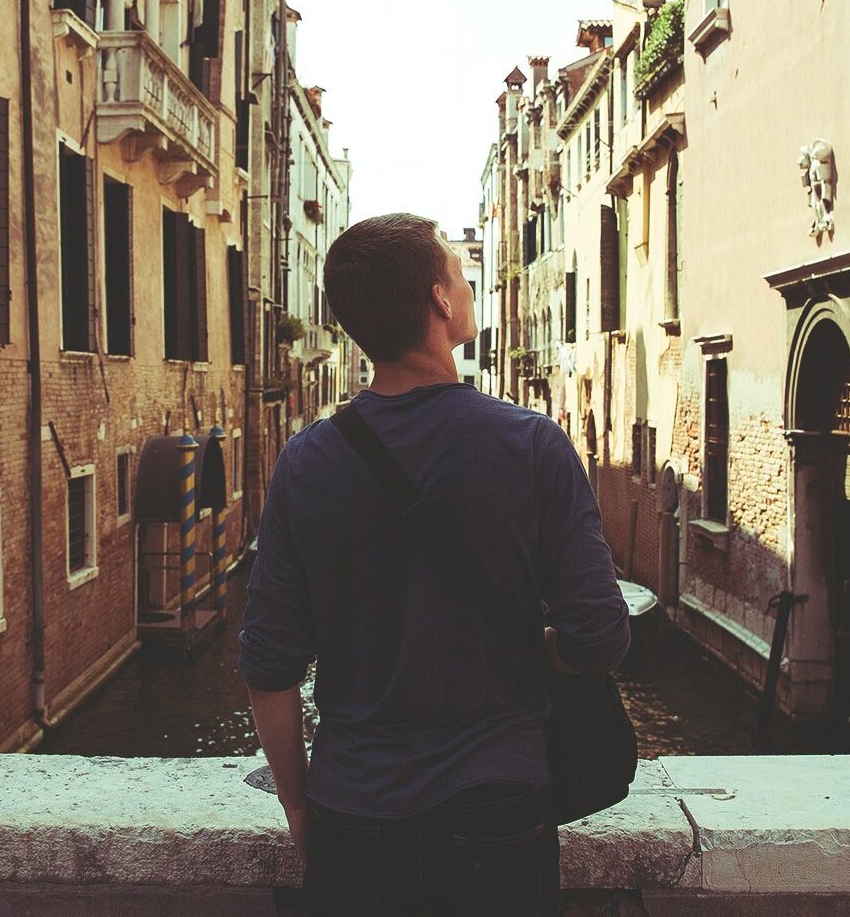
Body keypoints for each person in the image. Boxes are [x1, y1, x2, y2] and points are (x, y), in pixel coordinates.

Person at [238, 213, 630, 916]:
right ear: (441, 301)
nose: (466, 282)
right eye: (457, 268)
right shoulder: (534, 445)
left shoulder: (305, 462)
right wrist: (540, 650)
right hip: (499, 810)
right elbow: (600, 632)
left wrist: (300, 806)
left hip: (352, 814)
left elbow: (269, 666)